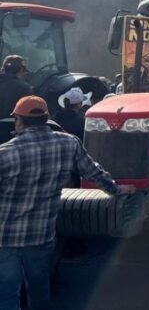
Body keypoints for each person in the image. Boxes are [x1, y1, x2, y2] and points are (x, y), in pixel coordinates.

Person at [0, 96, 134, 309]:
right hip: (41, 234)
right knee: (39, 287)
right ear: (46, 119)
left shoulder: (5, 153)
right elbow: (94, 173)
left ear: (19, 120)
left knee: (7, 292)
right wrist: (118, 189)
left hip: (5, 238)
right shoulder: (68, 143)